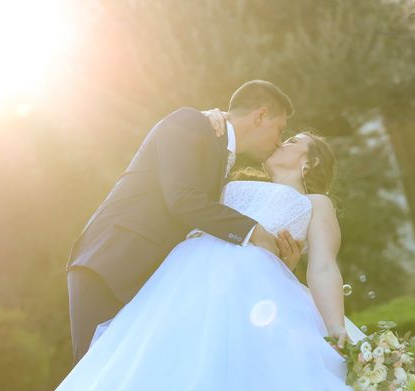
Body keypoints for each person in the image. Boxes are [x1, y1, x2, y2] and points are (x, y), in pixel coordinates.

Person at [0, 121, 366, 391]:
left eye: (292, 140)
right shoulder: (233, 180)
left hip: (252, 291)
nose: (280, 141)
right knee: (157, 364)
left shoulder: (317, 203)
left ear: (310, 160)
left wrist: (335, 330)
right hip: (185, 278)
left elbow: (323, 269)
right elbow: (190, 201)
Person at [64, 79, 299, 363]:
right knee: (93, 374)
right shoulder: (189, 122)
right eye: (280, 129)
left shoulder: (221, 149)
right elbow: (183, 200)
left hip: (152, 280)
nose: (279, 141)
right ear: (260, 116)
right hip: (111, 264)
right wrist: (253, 231)